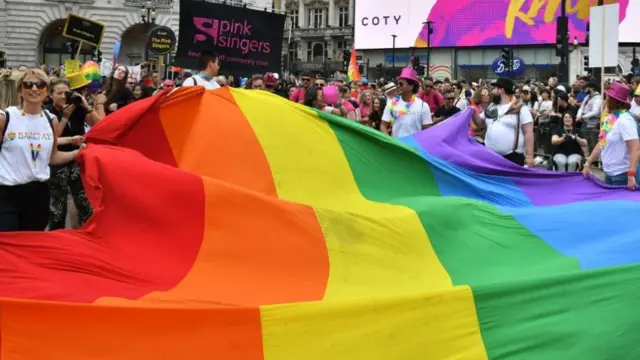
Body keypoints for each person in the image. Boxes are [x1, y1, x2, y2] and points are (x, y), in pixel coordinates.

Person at [0, 69, 82, 231]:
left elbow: (52, 157)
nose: (34, 89)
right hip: (7, 194)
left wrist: (77, 153)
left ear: (46, 91)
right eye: (28, 84)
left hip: (39, 193)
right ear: (20, 90)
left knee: (31, 245)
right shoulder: (5, 117)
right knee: (6, 245)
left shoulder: (50, 120)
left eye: (40, 84)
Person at [583, 81, 639, 190]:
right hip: (609, 174)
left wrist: (631, 175)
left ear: (613, 101)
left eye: (607, 98)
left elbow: (636, 148)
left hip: (622, 175)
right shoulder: (611, 118)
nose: (605, 101)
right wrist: (588, 163)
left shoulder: (625, 120)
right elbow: (601, 143)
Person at [475, 77, 535, 167]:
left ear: (501, 90)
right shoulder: (492, 106)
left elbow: (528, 133)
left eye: (494, 89)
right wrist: (472, 110)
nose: (491, 92)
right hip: (490, 156)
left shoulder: (520, 108)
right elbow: (479, 123)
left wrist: (529, 156)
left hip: (512, 158)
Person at [380, 67, 432, 138]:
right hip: (397, 146)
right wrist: (389, 140)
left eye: (401, 84)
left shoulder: (423, 106)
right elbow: (383, 125)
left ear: (411, 86)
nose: (398, 86)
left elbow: (427, 130)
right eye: (397, 84)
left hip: (414, 147)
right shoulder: (391, 104)